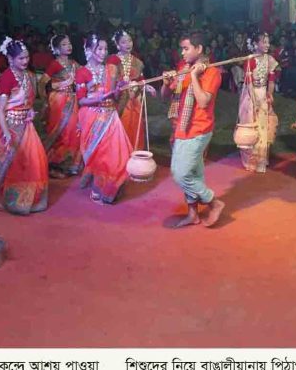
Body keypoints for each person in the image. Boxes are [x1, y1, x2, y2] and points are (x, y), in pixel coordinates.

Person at [161, 31, 225, 227]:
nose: (182, 53)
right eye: (182, 49)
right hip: (181, 126)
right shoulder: (183, 68)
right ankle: (193, 214)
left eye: (186, 48)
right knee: (194, 173)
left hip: (198, 129)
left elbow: (203, 101)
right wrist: (166, 83)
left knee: (180, 173)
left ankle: (214, 202)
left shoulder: (212, 72)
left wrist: (195, 76)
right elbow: (165, 97)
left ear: (199, 49)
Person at [0, 38, 49, 215]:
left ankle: (31, 199)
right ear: (10, 59)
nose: (25, 61)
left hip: (26, 126)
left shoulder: (29, 75)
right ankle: (13, 201)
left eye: (27, 57)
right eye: (21, 58)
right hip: (10, 126)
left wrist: (29, 112)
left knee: (34, 161)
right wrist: (6, 133)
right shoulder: (6, 78)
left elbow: (27, 101)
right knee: (14, 164)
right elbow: (0, 110)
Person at [75, 34, 132, 204]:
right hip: (92, 117)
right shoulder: (82, 72)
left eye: (105, 49)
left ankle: (110, 188)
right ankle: (98, 187)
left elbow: (114, 96)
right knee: (100, 156)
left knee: (116, 154)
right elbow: (81, 100)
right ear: (88, 50)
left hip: (110, 116)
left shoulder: (111, 69)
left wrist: (119, 89)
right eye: (99, 49)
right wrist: (98, 99)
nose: (103, 52)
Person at [37, 35, 82, 179]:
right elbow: (42, 83)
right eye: (64, 44)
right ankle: (53, 164)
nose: (68, 46)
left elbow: (85, 73)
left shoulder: (73, 63)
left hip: (72, 100)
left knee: (72, 131)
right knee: (58, 131)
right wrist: (45, 101)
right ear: (56, 49)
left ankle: (67, 164)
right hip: (58, 101)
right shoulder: (55, 64)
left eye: (69, 44)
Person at [108, 30, 157, 151]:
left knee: (134, 126)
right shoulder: (113, 60)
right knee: (121, 127)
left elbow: (140, 79)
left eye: (129, 41)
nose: (128, 44)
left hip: (134, 99)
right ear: (117, 45)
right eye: (123, 42)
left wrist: (146, 86)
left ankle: (134, 152)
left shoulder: (137, 61)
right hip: (119, 99)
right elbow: (110, 83)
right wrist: (120, 87)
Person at [238, 31, 279, 173]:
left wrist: (270, 94)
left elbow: (271, 80)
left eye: (268, 42)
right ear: (255, 44)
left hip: (263, 94)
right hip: (251, 95)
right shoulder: (251, 60)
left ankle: (261, 159)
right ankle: (251, 160)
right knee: (252, 125)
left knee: (263, 126)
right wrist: (254, 101)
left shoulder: (270, 59)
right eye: (264, 42)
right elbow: (249, 82)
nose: (267, 45)